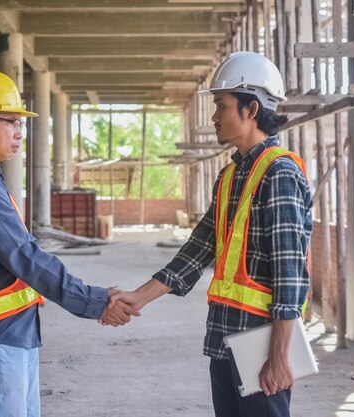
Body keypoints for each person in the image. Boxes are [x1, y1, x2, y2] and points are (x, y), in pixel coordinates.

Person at [111, 52, 313, 417]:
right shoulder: (230, 176)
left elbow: (290, 272)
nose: (214, 115)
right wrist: (138, 298)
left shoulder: (279, 173)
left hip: (263, 341)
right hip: (225, 336)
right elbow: (196, 252)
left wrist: (280, 356)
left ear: (251, 109)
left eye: (222, 105)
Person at [0, 70, 138, 417]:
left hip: (10, 333)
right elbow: (24, 256)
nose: (19, 132)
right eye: (11, 121)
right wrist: (93, 301)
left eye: (21, 123)